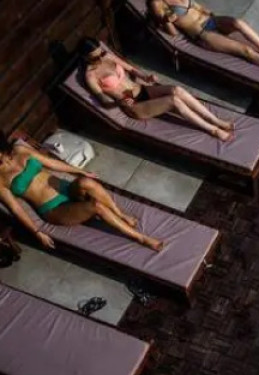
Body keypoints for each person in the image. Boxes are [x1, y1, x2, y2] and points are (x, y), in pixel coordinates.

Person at [0, 133, 163, 251]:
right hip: (55, 208)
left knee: (86, 182)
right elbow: (15, 209)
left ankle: (121, 215)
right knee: (96, 206)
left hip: (66, 189)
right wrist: (37, 233)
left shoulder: (20, 150)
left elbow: (52, 163)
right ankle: (141, 238)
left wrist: (80, 171)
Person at [80, 38, 234, 141]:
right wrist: (119, 102)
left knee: (177, 90)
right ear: (86, 58)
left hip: (141, 89)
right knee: (173, 101)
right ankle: (212, 130)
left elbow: (131, 69)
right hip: (132, 104)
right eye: (95, 57)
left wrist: (146, 77)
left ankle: (215, 120)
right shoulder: (91, 76)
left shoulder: (107, 56)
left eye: (101, 53)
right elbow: (104, 100)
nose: (101, 58)